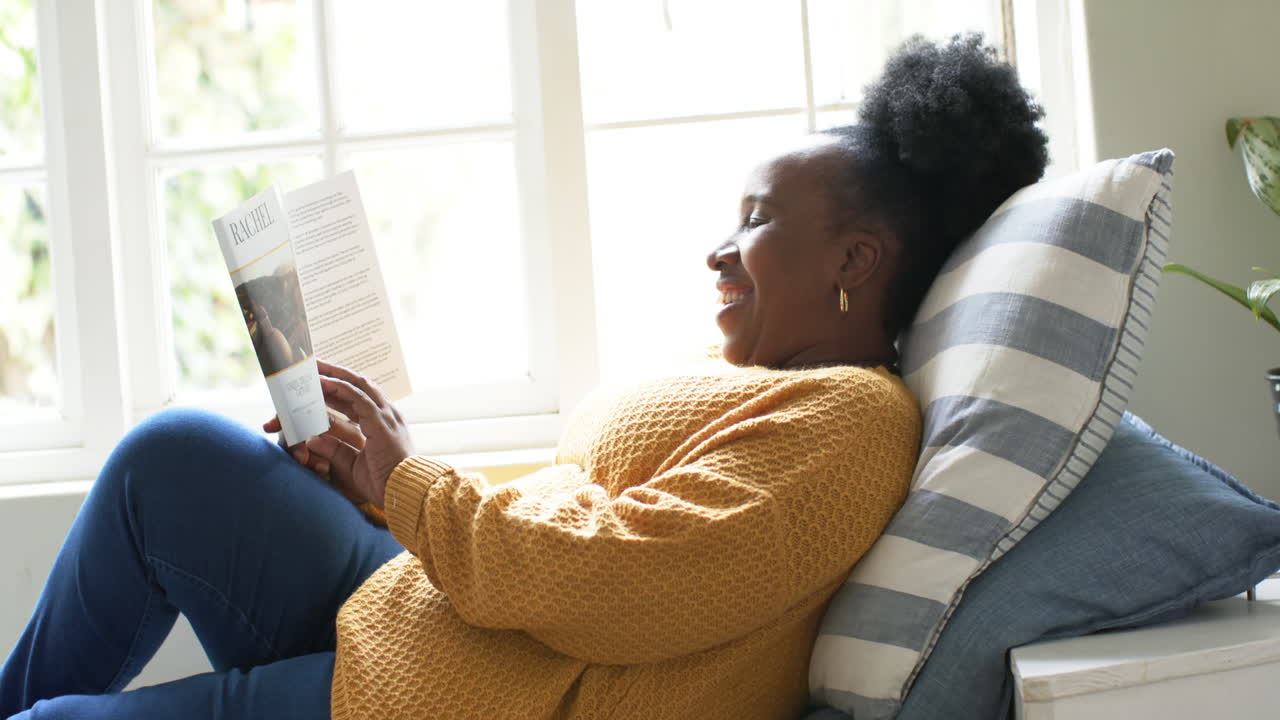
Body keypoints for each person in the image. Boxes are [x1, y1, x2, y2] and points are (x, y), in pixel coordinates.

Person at [0, 34, 1047, 720]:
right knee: (167, 459)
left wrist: (404, 482)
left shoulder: (849, 426)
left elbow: (619, 585)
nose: (720, 251)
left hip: (464, 694)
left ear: (854, 263)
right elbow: (571, 509)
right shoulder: (751, 377)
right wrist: (375, 469)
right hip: (427, 609)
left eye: (758, 220)